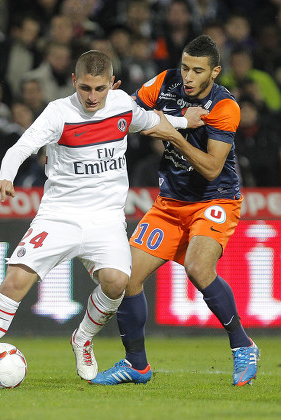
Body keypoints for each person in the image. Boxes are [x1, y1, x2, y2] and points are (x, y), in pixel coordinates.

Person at [0, 50, 205, 389]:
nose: (92, 97)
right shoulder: (58, 113)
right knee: (14, 283)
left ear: (113, 84)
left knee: (116, 283)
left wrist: (184, 121)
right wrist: (7, 176)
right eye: (85, 89)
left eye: (100, 89)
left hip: (106, 219)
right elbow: (20, 148)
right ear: (74, 82)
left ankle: (82, 338)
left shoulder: (121, 104)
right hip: (59, 216)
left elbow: (152, 122)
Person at [91, 35, 260, 387]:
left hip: (215, 199)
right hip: (169, 204)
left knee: (199, 268)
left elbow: (212, 168)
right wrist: (179, 119)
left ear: (214, 71)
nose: (188, 76)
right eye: (185, 67)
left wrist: (174, 134)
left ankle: (243, 345)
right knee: (126, 278)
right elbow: (130, 114)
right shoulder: (165, 82)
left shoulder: (225, 107)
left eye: (198, 70)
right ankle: (137, 366)